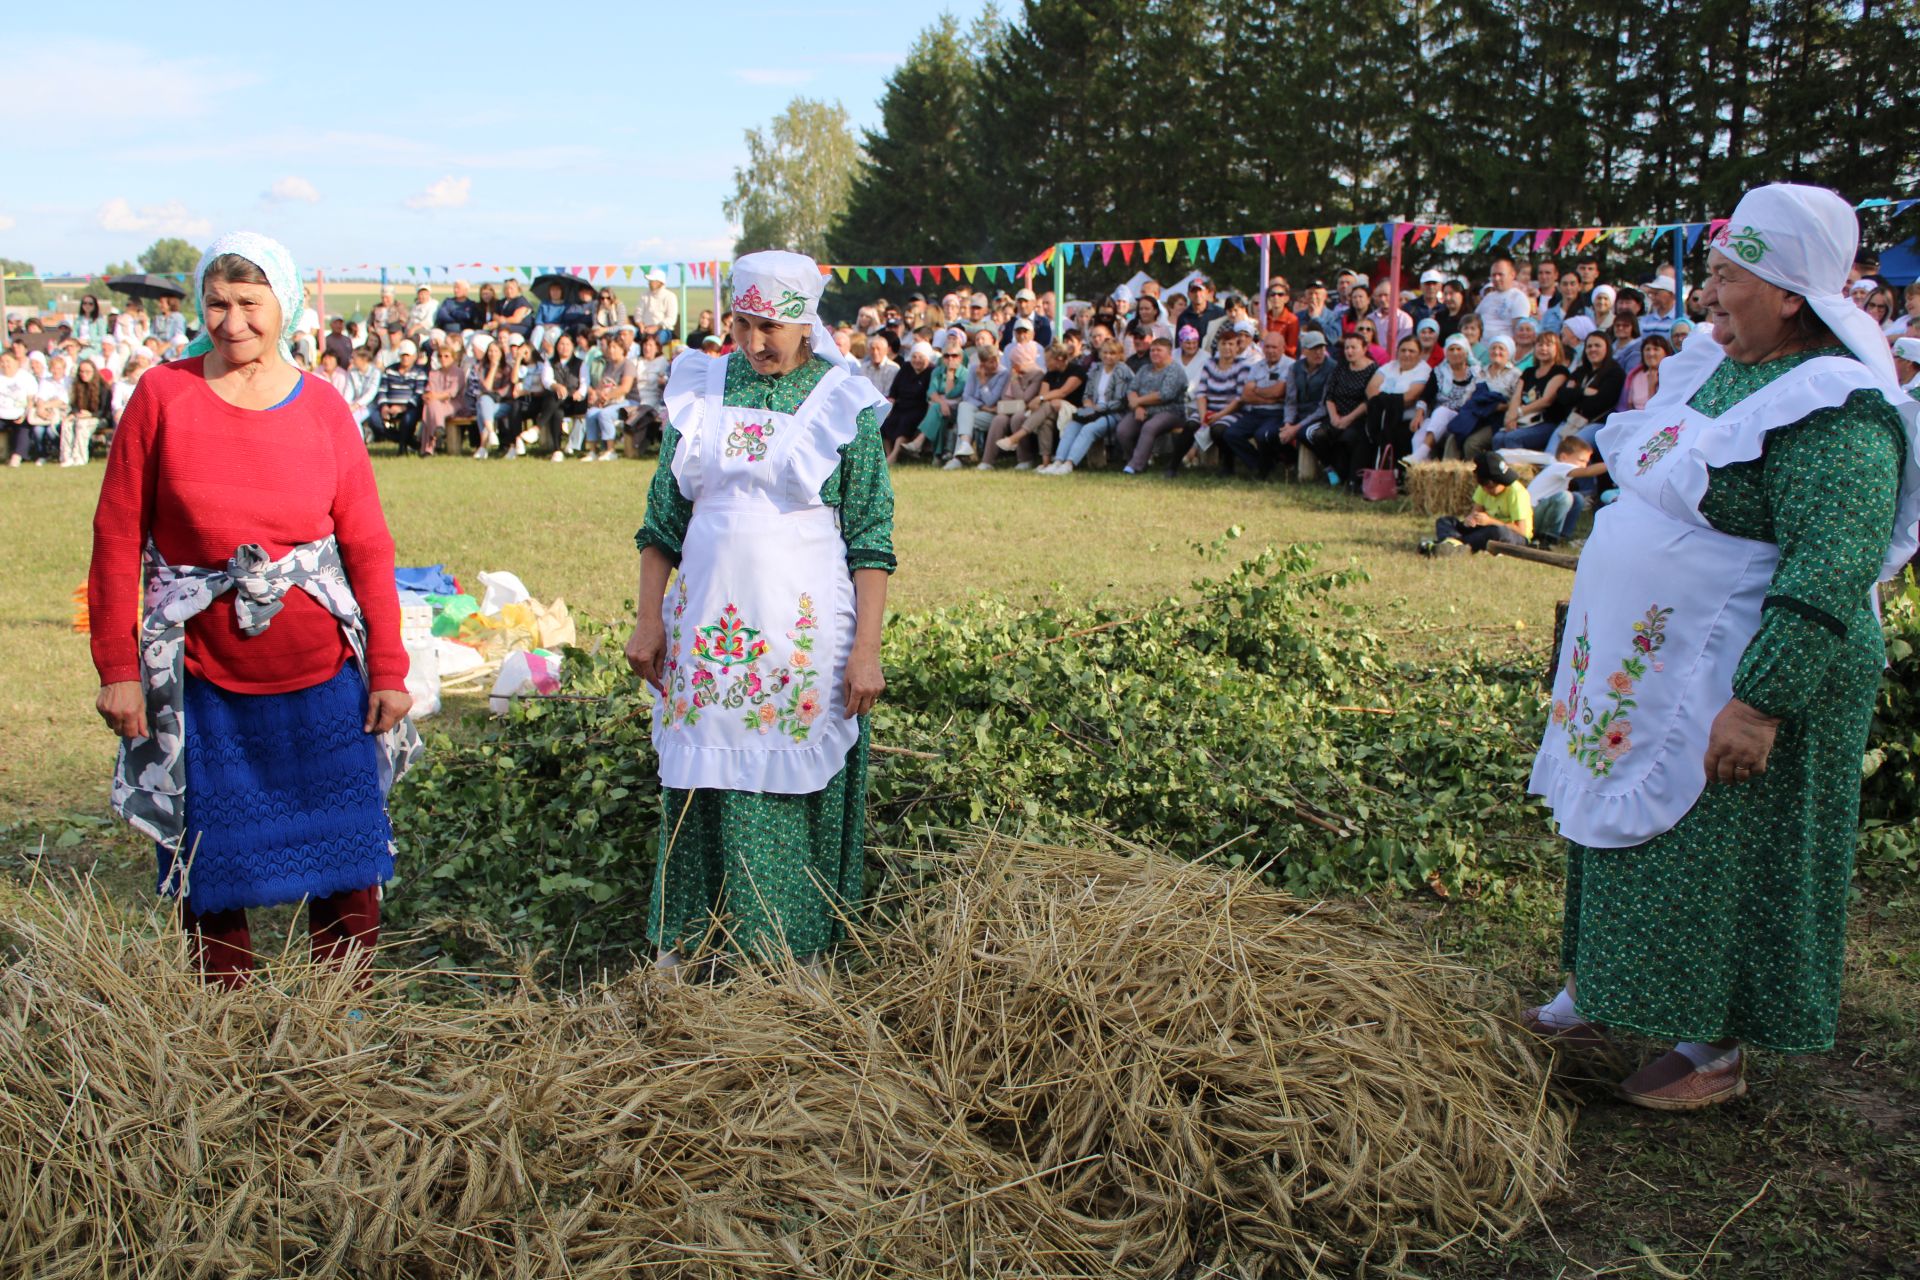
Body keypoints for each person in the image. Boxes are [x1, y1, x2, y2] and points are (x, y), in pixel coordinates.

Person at [1526, 184, 1920, 1110]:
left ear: (1788, 292)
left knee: (1721, 849)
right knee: (1626, 829)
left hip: (1747, 671)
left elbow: (1832, 564)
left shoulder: (1840, 410)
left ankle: (1712, 1048)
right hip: (1654, 671)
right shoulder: (1720, 363)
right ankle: (1602, 988)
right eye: (1710, 273)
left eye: (1727, 277)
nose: (1708, 297)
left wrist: (1761, 701)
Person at [86, 231, 418, 989]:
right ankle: (226, 1022)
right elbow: (115, 537)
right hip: (203, 677)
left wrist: (389, 667)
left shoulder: (325, 408)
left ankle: (341, 1017)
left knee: (346, 857)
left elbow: (366, 541)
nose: (232, 322)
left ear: (285, 306)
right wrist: (117, 667)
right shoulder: (162, 396)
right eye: (217, 304)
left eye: (249, 304)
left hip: (321, 670)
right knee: (213, 863)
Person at [624, 249, 894, 970]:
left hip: (802, 641)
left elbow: (871, 540)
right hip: (708, 628)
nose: (754, 342)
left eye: (770, 326)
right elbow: (662, 521)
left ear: (805, 321)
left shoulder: (843, 401)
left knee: (789, 780)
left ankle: (789, 962)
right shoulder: (702, 388)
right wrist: (648, 619)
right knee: (700, 782)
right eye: (743, 324)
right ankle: (688, 954)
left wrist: (866, 651)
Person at [1500, 433, 1607, 544]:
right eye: (1581, 460)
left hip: (1537, 511)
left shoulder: (1558, 468)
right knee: (1565, 497)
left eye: (1586, 462)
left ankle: (1563, 537)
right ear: (1564, 457)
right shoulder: (1559, 466)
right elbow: (1587, 472)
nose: (1584, 465)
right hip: (1530, 516)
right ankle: (1548, 537)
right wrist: (1610, 463)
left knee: (1577, 498)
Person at [1420, 451, 1533, 555]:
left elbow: (1521, 531)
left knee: (1497, 532)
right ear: (1487, 485)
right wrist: (1471, 520)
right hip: (1485, 529)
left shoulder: (1517, 492)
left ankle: (1453, 544)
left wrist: (1490, 521)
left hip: (1513, 536)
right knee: (1445, 521)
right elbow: (1475, 512)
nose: (1504, 484)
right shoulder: (1483, 489)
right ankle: (1455, 544)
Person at [1045, 338, 1132, 475]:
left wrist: (1099, 408)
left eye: (1112, 353)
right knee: (1072, 424)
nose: (1108, 356)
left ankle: (1069, 463)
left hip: (1114, 413)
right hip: (1093, 410)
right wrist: (1088, 403)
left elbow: (1121, 401)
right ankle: (1058, 461)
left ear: (1119, 354)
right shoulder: (1096, 368)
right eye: (1105, 352)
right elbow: (1087, 394)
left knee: (1089, 429)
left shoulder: (1122, 370)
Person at [1306, 332, 1379, 489]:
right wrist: (1334, 417)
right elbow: (1330, 396)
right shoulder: (1341, 367)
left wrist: (1348, 419)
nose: (1349, 351)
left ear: (1365, 348)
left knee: (1347, 438)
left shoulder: (1374, 370)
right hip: (1337, 416)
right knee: (1317, 436)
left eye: (1354, 347)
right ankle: (1330, 469)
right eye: (1347, 348)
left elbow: (1368, 401)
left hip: (1358, 418)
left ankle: (1348, 476)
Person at [1113, 337, 1189, 476]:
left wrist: (1139, 401)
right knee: (1123, 430)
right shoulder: (1145, 368)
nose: (1154, 353)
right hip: (1143, 409)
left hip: (1170, 412)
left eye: (1159, 350)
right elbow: (1131, 389)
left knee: (1150, 427)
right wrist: (1137, 407)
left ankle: (1135, 466)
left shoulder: (1175, 370)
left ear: (1169, 353)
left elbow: (1165, 395)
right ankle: (1135, 460)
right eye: (1152, 350)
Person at [1491, 331, 1572, 451]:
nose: (1543, 348)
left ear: (1557, 349)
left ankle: (1518, 469)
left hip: (1546, 421)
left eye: (1548, 345)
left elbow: (1546, 400)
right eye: (1540, 345)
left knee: (1513, 438)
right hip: (1523, 419)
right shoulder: (1529, 371)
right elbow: (1517, 396)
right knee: (1498, 438)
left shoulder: (1560, 371)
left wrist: (1518, 413)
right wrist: (1510, 417)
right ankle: (1497, 469)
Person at [1362, 334, 1430, 464]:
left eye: (1412, 351)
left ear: (1420, 354)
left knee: (1398, 435)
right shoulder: (1390, 366)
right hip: (1381, 416)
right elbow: (1371, 389)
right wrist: (1384, 402)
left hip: (1408, 419)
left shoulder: (1424, 370)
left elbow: (1411, 396)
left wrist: (1382, 400)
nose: (1406, 354)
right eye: (1403, 350)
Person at [881, 341, 936, 462]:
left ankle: (894, 456)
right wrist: (889, 406)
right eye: (914, 357)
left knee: (905, 422)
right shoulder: (906, 367)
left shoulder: (932, 371)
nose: (917, 360)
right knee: (886, 422)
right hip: (901, 406)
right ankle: (888, 455)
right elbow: (894, 390)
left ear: (928, 358)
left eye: (921, 357)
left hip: (919, 407)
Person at [374, 340, 428, 451]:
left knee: (407, 419)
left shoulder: (419, 372)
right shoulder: (389, 370)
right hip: (389, 406)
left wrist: (402, 408)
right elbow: (382, 390)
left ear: (414, 356)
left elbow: (418, 394)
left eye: (408, 355)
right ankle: (410, 442)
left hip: (410, 407)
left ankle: (403, 446)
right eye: (403, 355)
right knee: (374, 420)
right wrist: (384, 406)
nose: (405, 358)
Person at [418, 338, 467, 456]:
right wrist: (429, 396)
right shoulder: (434, 373)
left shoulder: (459, 373)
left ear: (453, 357)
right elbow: (430, 389)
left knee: (430, 407)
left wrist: (433, 396)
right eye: (440, 356)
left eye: (446, 356)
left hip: (454, 404)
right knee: (430, 406)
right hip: (437, 405)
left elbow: (452, 393)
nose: (443, 359)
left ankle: (428, 448)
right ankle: (438, 429)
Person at [1476, 255, 1533, 343]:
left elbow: (1519, 331)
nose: (1496, 278)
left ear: (1512, 275)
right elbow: (1475, 320)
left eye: (1500, 274)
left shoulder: (1518, 298)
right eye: (1493, 275)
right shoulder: (1488, 297)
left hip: (1503, 349)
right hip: (1482, 349)